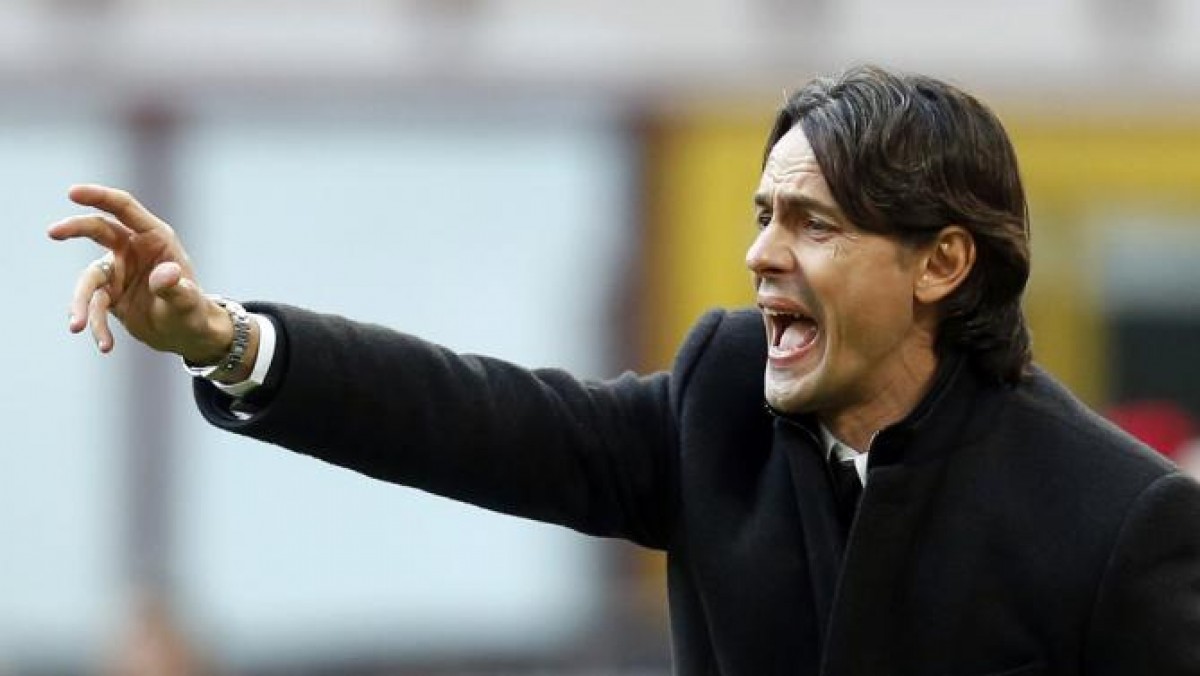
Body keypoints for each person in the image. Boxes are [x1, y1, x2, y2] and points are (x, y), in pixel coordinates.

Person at [50, 65, 1200, 675]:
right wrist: (227, 340)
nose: (762, 254)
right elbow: (478, 417)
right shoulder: (721, 395)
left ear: (942, 263)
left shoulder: (1121, 522)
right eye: (762, 214)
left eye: (813, 223)